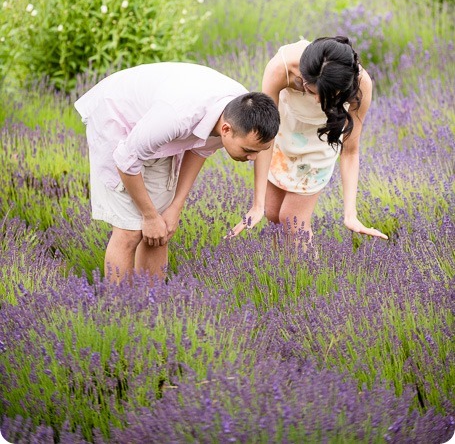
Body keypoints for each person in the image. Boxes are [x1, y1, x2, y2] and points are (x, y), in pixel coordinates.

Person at [75, 62, 280, 283]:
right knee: (130, 231)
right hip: (118, 117)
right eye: (248, 151)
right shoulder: (177, 117)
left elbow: (200, 150)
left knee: (160, 230)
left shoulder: (239, 114)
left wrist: (175, 207)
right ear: (226, 130)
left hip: (156, 128)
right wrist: (149, 215)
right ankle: (118, 310)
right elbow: (125, 160)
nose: (253, 158)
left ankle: (151, 304)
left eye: (260, 151)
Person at [230, 36, 388, 244]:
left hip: (320, 145)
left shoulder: (360, 84)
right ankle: (283, 273)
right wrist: (257, 205)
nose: (316, 101)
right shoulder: (281, 68)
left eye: (326, 96)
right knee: (272, 214)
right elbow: (266, 135)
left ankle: (306, 274)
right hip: (283, 136)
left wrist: (350, 215)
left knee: (293, 223)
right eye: (312, 91)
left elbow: (350, 151)